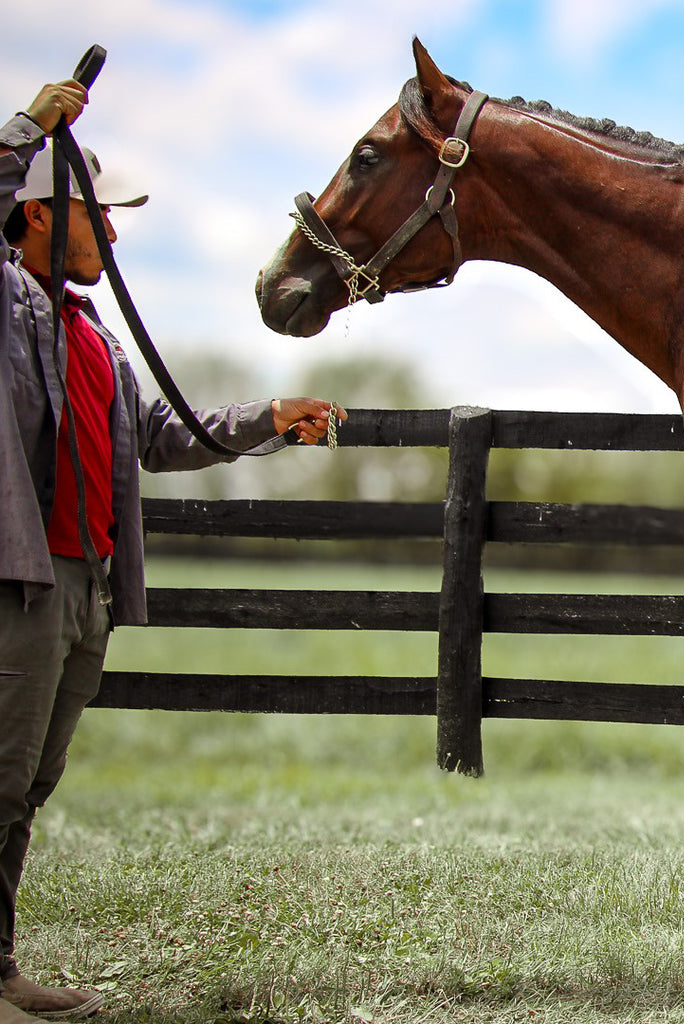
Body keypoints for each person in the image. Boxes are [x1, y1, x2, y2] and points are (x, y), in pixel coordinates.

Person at [0, 79, 344, 1022]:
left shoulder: (93, 335)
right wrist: (31, 129)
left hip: (80, 588)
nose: (110, 238)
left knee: (25, 785)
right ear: (33, 211)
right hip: (14, 588)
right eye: (94, 220)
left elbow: (162, 435)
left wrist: (268, 420)